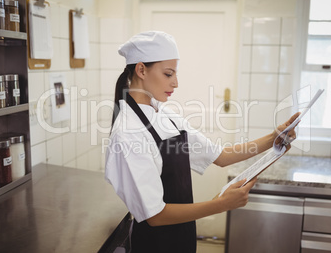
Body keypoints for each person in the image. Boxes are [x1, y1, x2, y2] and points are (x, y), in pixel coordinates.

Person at [104, 31, 299, 253]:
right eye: (168, 74)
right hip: (154, 245)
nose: (175, 83)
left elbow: (221, 156)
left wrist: (273, 139)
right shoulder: (128, 133)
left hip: (182, 238)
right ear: (141, 70)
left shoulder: (163, 114)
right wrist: (220, 204)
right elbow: (155, 216)